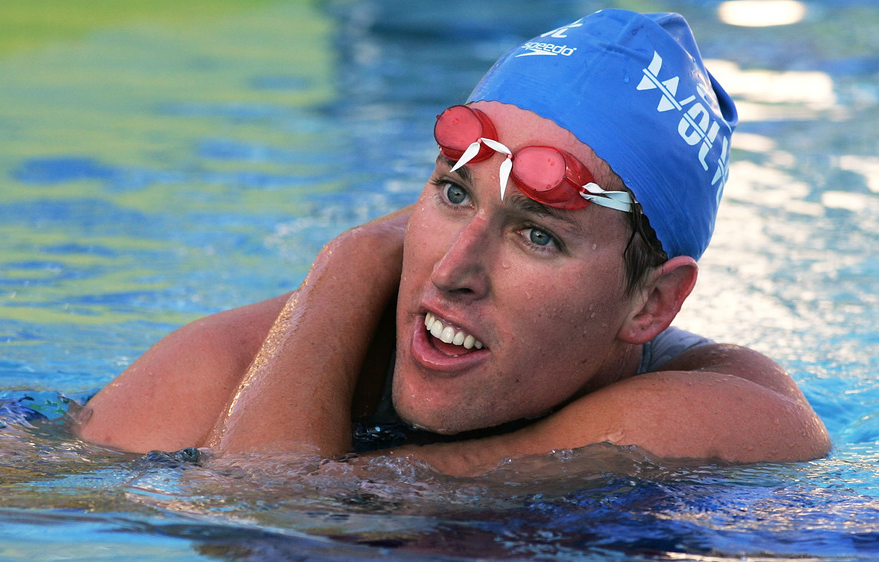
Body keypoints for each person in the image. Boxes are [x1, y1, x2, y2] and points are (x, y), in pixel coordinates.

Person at [73, 9, 830, 476]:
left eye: (537, 233)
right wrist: (346, 272)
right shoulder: (226, 365)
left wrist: (350, 264)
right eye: (454, 191)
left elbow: (275, 520)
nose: (453, 270)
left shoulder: (732, 409)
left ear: (652, 302)